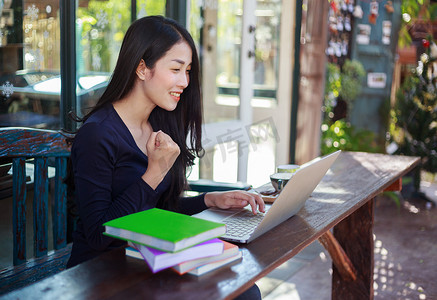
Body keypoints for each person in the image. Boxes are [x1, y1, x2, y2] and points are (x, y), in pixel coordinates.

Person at [65, 15, 264, 299]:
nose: (184, 81)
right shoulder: (98, 134)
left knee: (245, 290)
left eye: (188, 70)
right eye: (176, 69)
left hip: (144, 259)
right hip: (102, 274)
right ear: (142, 68)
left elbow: (154, 214)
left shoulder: (159, 126)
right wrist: (153, 173)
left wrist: (208, 200)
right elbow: (99, 235)